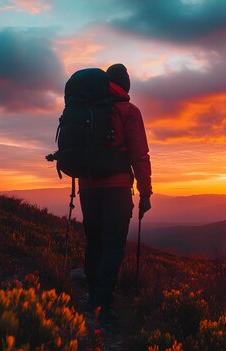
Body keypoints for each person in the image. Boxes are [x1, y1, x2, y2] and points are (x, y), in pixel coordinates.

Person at [78, 63, 152, 322]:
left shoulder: (86, 109)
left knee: (95, 242)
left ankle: (92, 298)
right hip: (117, 189)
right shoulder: (128, 111)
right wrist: (145, 192)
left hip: (87, 187)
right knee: (112, 245)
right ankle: (103, 304)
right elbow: (139, 155)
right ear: (126, 85)